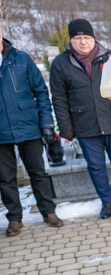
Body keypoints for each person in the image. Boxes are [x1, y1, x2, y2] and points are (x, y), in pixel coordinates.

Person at [51, 19, 111, 219]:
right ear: (71, 40)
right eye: (77, 38)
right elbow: (59, 99)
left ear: (93, 38)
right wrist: (66, 128)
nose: (83, 42)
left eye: (87, 37)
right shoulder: (61, 64)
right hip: (85, 125)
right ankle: (106, 202)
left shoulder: (109, 58)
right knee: (95, 166)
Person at [0, 34, 64, 236]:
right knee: (5, 178)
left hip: (28, 126)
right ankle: (14, 218)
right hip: (1, 132)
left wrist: (46, 123)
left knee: (38, 172)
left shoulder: (21, 58)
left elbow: (41, 92)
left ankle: (48, 211)